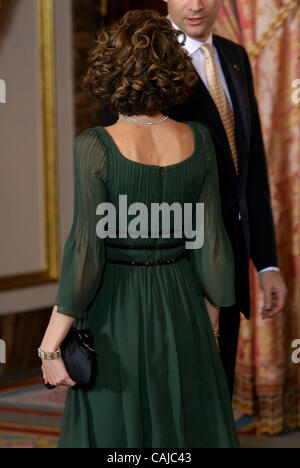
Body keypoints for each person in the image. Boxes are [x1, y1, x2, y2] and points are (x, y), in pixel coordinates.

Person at [40, 10, 240, 448]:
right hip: (182, 301)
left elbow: (87, 251)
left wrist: (51, 345)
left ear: (111, 70)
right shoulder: (201, 139)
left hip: (117, 306)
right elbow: (210, 243)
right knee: (182, 423)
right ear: (172, 72)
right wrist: (210, 328)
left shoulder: (95, 145)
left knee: (118, 429)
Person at [104, 0, 288, 397]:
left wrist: (266, 263)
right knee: (173, 392)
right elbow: (119, 163)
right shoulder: (143, 57)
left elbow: (250, 169)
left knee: (217, 388)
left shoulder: (235, 57)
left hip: (232, 258)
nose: (197, 4)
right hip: (172, 260)